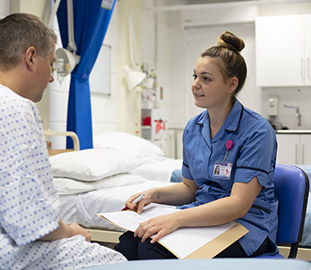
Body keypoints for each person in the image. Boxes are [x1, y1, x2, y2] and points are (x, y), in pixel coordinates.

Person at [115, 31, 278, 260]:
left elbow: (238, 205)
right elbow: (190, 188)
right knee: (130, 243)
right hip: (202, 220)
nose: (195, 85)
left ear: (232, 84)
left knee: (153, 249)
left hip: (244, 227)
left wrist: (176, 219)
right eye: (195, 76)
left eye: (206, 78)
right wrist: (154, 195)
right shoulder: (193, 127)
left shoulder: (257, 131)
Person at [0, 13, 126, 269]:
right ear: (31, 57)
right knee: (114, 260)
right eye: (51, 63)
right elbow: (31, 220)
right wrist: (71, 231)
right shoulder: (14, 108)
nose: (50, 77)